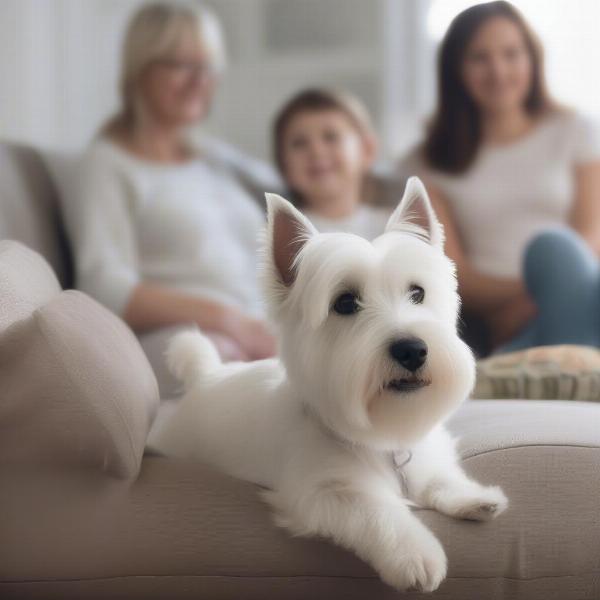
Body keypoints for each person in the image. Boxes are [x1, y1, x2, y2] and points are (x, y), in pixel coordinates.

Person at [64, 1, 277, 363]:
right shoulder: (106, 165)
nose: (200, 81)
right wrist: (229, 320)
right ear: (140, 71)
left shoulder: (215, 159)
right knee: (220, 353)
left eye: (207, 66)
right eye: (181, 65)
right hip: (190, 339)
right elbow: (104, 285)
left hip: (260, 328)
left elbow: (295, 193)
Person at [399, 0, 600, 353]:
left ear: (532, 59)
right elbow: (451, 270)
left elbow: (592, 234)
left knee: (556, 250)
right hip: (509, 318)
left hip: (585, 289)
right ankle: (577, 363)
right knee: (552, 256)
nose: (498, 70)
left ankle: (569, 361)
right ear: (455, 69)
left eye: (511, 54)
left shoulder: (575, 130)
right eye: (480, 57)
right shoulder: (427, 161)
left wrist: (553, 286)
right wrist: (533, 293)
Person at [273, 88, 392, 239]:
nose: (316, 151)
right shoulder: (280, 236)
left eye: (331, 137)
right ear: (283, 163)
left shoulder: (394, 227)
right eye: (299, 143)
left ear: (367, 150)